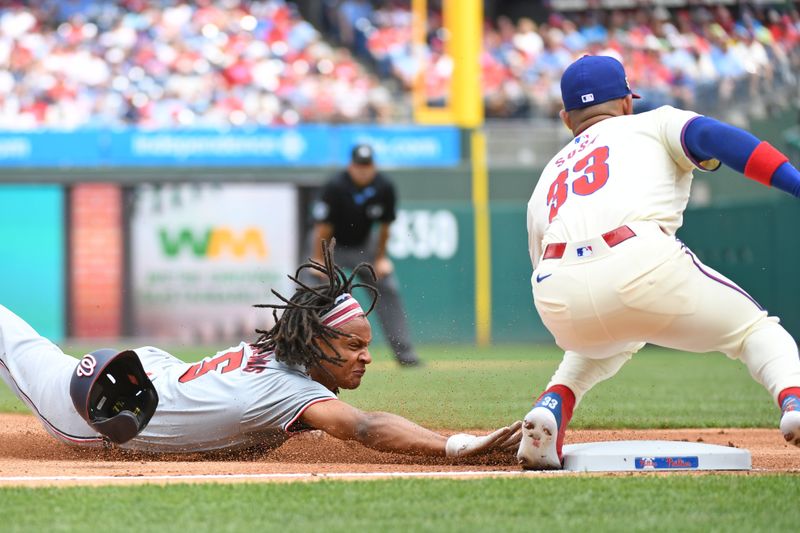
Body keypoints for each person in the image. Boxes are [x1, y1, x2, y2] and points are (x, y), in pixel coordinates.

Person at [517, 54, 800, 470]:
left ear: (565, 118)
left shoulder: (547, 175)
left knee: (605, 341)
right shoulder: (651, 122)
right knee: (754, 330)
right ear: (627, 102)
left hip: (557, 291)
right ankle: (793, 399)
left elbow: (539, 255)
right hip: (635, 259)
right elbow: (720, 140)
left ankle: (552, 405)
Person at [0, 240, 521, 457]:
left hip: (152, 378)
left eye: (368, 345)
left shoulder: (284, 362)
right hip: (94, 411)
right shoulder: (285, 388)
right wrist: (454, 446)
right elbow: (363, 427)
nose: (367, 356)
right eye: (354, 344)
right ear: (315, 341)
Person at [305, 143, 422, 366]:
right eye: (359, 166)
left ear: (373, 166)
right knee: (310, 291)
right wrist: (318, 260)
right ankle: (304, 352)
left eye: (367, 166)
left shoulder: (384, 186)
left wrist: (380, 258)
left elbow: (385, 226)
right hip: (329, 245)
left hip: (363, 245)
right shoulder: (336, 186)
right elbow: (322, 229)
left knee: (387, 287)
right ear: (351, 166)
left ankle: (405, 354)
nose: (363, 170)